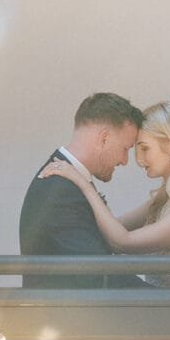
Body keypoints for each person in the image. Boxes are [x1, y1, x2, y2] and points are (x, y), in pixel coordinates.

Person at [38, 96, 170, 288]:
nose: (138, 160)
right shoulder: (163, 199)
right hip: (156, 309)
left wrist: (83, 183)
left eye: (145, 149)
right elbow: (114, 227)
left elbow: (122, 242)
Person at [19, 92, 145, 288]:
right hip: (63, 316)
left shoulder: (67, 184)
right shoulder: (60, 191)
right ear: (104, 139)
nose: (125, 161)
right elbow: (98, 273)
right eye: (125, 148)